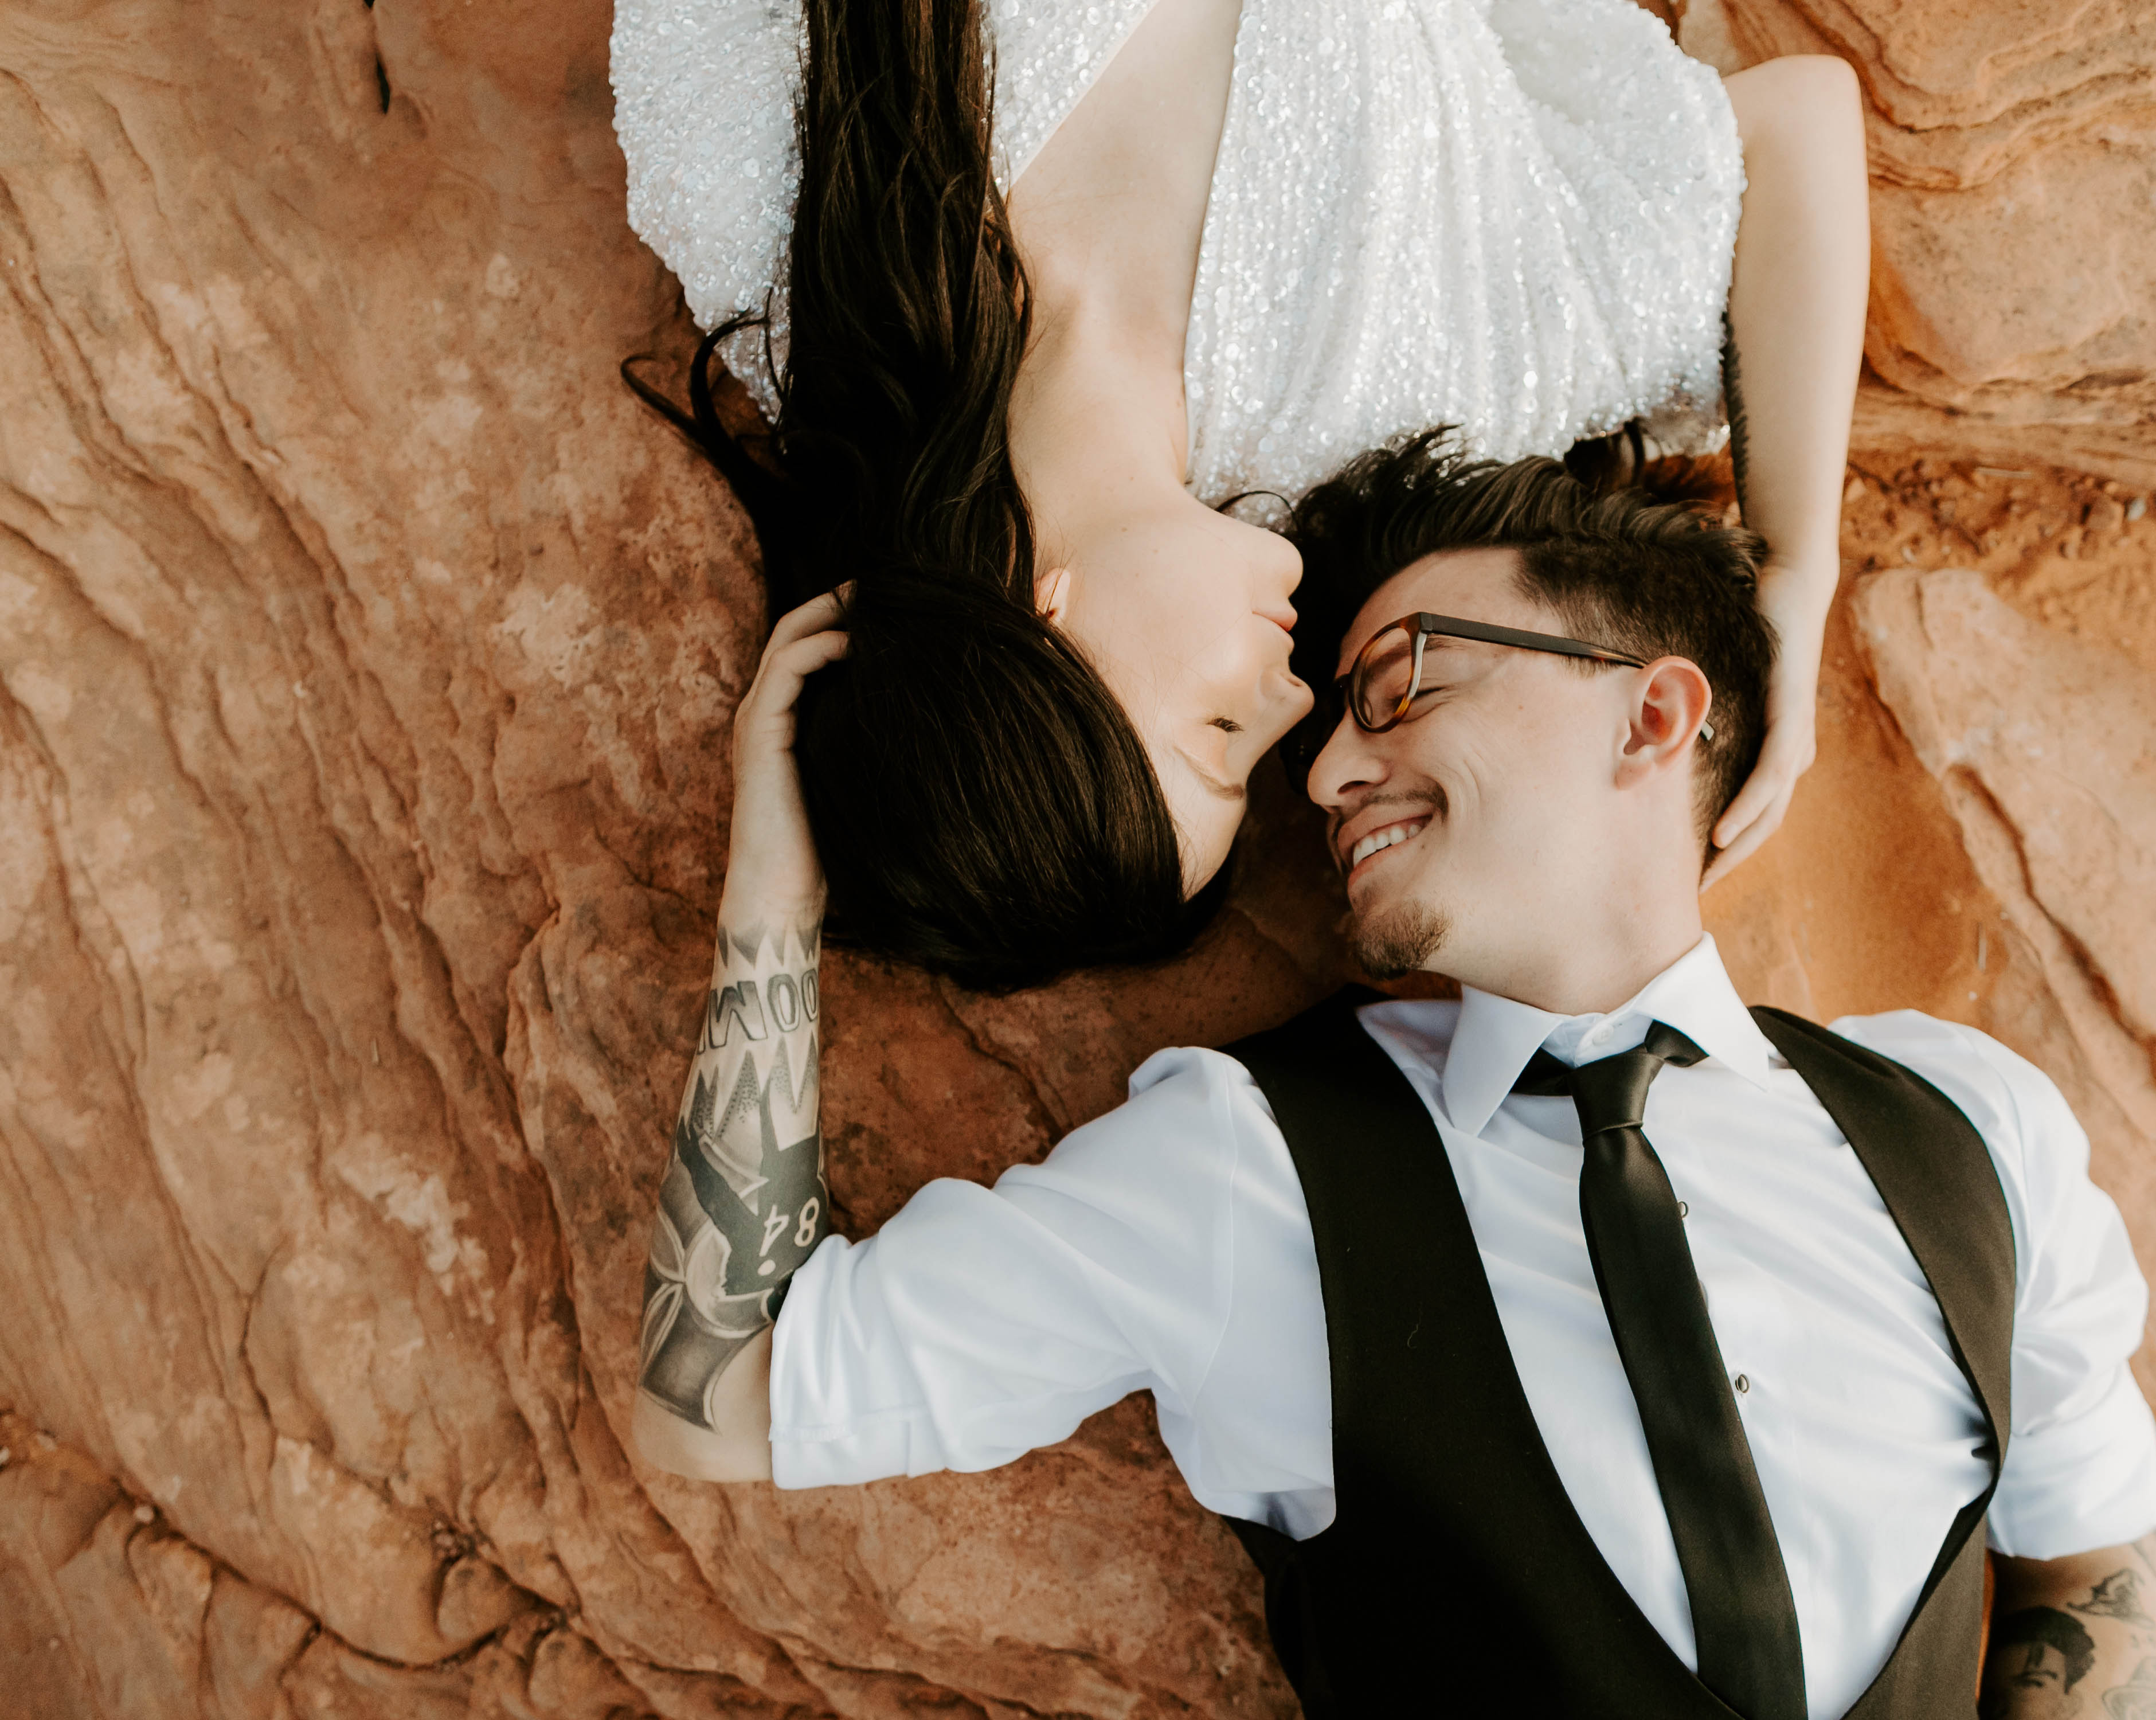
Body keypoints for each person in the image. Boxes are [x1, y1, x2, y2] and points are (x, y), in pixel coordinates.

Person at [631, 437, 2156, 1720]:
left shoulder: (1970, 1125)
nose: (1320, 775)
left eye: (1400, 685)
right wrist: (772, 893)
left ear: (1651, 713)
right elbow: (725, 1396)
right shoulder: (1240, 1171)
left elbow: (2085, 1555)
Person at [611, 0, 1870, 988]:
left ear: (1040, 618)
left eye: (1217, 736)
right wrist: (1795, 574)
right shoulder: (1409, 383)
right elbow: (1791, 129)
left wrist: (780, 879)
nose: (1294, 704)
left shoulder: (785, 227)